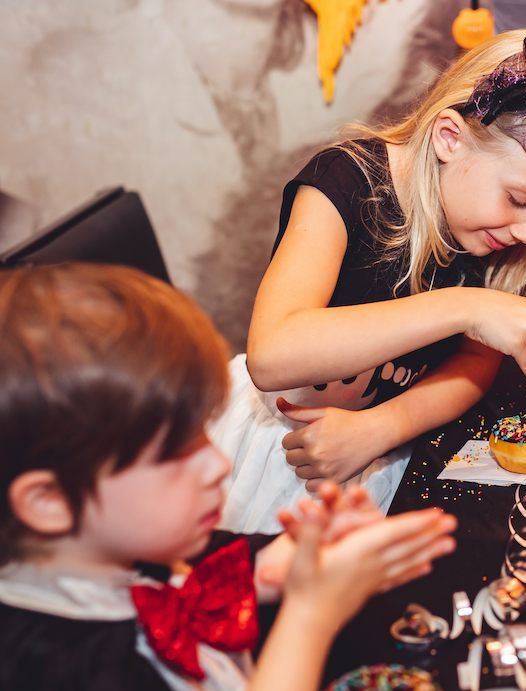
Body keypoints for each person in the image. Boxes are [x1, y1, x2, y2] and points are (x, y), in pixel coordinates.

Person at [213, 27, 526, 533]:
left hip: (378, 444)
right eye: (519, 199)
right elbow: (273, 356)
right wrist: (466, 306)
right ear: (450, 138)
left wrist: (380, 428)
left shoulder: (504, 240)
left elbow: (473, 364)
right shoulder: (345, 183)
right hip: (278, 446)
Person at [0, 263, 457, 691]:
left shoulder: (117, 550)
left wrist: (274, 565)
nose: (218, 464)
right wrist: (310, 616)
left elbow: (190, 572)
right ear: (49, 502)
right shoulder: (57, 669)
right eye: (175, 454)